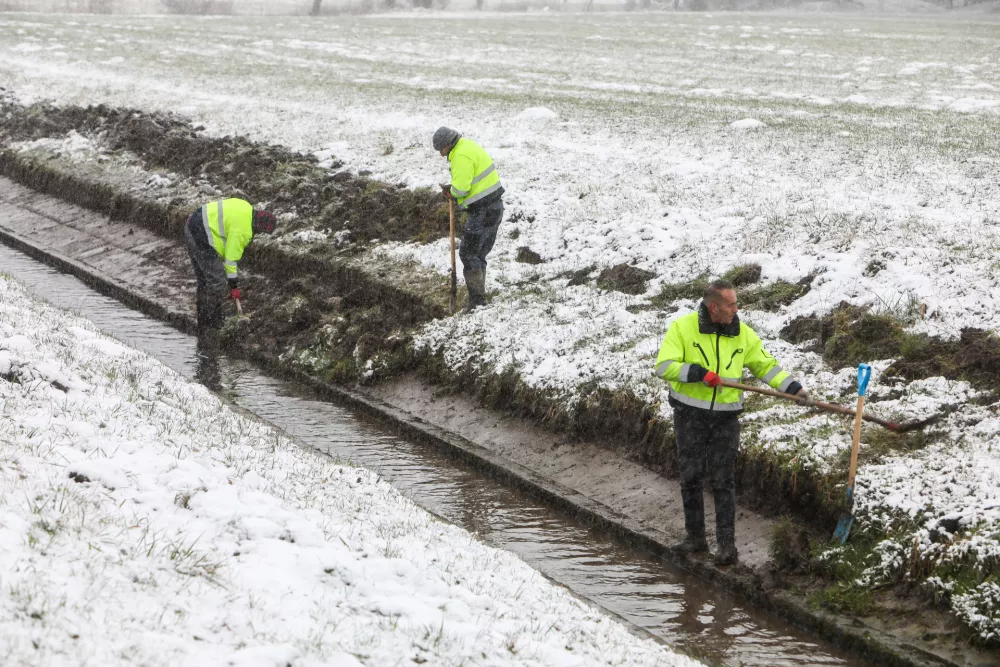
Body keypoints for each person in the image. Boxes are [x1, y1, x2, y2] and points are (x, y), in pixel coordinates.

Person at [654, 279, 811, 566]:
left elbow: (766, 365)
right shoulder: (683, 328)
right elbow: (664, 366)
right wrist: (699, 373)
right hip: (689, 416)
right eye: (731, 304)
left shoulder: (743, 334)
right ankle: (695, 538)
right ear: (714, 307)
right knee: (690, 477)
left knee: (723, 480)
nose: (736, 309)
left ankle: (727, 546)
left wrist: (793, 388)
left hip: (726, 419)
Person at [433, 126, 505, 312]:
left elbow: (462, 188)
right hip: (494, 207)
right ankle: (479, 296)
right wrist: (454, 188)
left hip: (483, 211)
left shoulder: (460, 156)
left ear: (447, 145)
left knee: (468, 253)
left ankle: (477, 302)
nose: (441, 155)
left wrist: (451, 193)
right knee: (478, 254)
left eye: (441, 150)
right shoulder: (468, 146)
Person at [183, 198, 277, 333]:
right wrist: (233, 286)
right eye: (261, 232)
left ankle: (203, 321)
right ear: (259, 226)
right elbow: (230, 261)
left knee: (204, 280)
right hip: (201, 236)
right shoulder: (243, 231)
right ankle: (212, 324)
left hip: (191, 224)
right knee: (217, 282)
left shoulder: (246, 206)